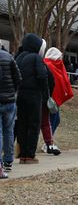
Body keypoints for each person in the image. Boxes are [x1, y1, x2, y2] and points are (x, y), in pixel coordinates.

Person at [16, 33, 48, 164]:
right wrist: (45, 94)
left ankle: (22, 154)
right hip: (34, 95)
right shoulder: (36, 58)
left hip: (19, 94)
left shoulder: (18, 57)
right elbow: (42, 76)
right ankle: (30, 154)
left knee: (22, 124)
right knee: (34, 125)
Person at [43, 47, 74, 152]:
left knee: (55, 120)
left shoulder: (56, 66)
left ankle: (47, 142)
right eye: (59, 57)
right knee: (51, 120)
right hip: (50, 99)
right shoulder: (49, 65)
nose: (60, 59)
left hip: (54, 100)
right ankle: (48, 143)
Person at [0, 44, 21, 178]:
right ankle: (8, 160)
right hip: (9, 100)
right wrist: (13, 92)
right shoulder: (8, 56)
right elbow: (18, 78)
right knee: (8, 131)